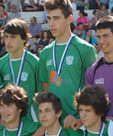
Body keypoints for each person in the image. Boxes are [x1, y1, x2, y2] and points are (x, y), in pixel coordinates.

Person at [39, 0, 97, 129]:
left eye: (56, 18)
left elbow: (93, 89)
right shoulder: (44, 53)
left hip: (78, 122)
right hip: (54, 124)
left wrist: (82, 118)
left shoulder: (85, 49)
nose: (51, 23)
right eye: (49, 18)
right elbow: (46, 87)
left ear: (70, 18)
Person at [0, 18, 41, 122]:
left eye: (13, 37)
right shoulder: (0, 64)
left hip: (31, 120)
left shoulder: (35, 62)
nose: (8, 41)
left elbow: (41, 94)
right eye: (6, 37)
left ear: (24, 39)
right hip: (8, 120)